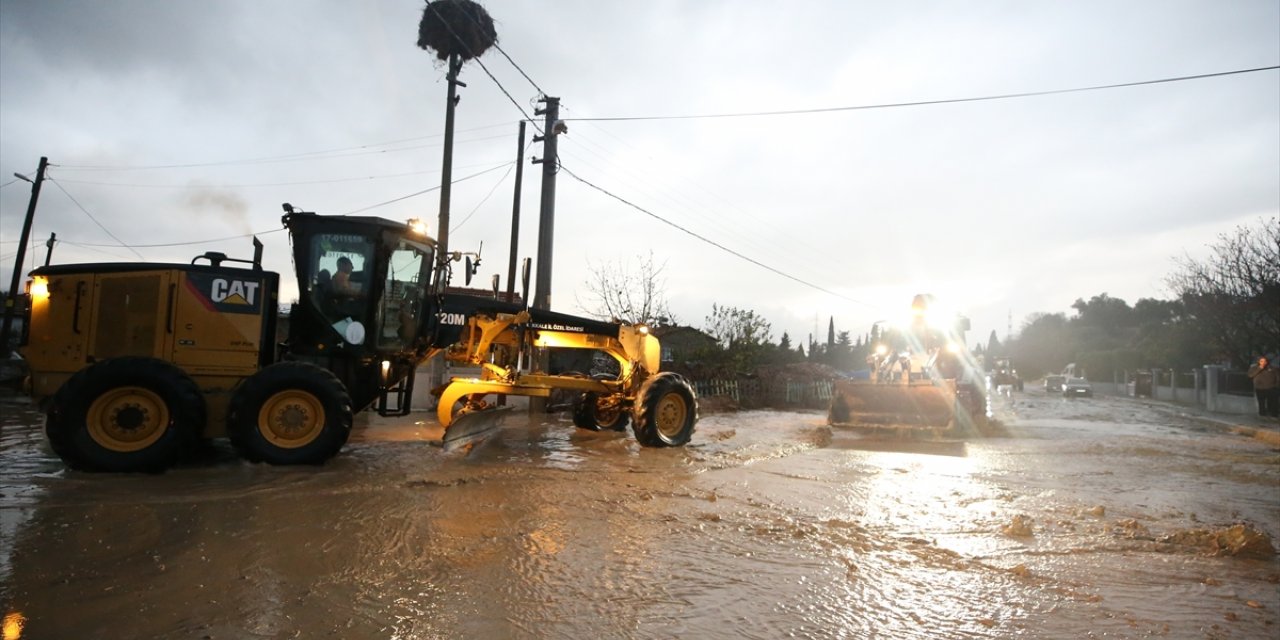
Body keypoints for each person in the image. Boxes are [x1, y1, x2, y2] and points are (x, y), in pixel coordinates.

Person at [1247, 355, 1279, 419]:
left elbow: (1277, 377)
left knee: (1273, 402)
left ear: (1267, 362)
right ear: (1259, 362)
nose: (1263, 363)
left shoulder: (1272, 368)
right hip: (1260, 388)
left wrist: (1277, 385)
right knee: (1261, 402)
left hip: (1271, 387)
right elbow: (1250, 375)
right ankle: (1262, 415)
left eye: (1264, 361)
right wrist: (1260, 368)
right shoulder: (1254, 368)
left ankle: (1273, 415)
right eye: (1261, 361)